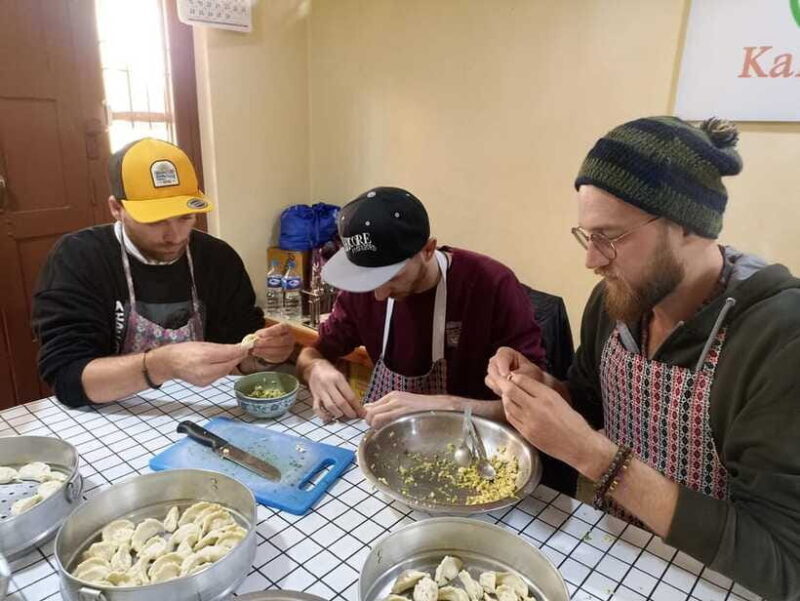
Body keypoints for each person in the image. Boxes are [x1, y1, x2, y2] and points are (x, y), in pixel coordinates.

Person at [486, 117, 800, 599]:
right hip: (618, 555)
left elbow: (781, 562)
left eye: (609, 237)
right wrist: (544, 389)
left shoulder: (779, 339)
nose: (592, 260)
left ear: (690, 226)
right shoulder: (618, 302)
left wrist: (591, 455)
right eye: (586, 235)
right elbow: (592, 403)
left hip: (718, 582)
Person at [32, 138, 294, 407]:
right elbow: (67, 378)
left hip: (200, 409)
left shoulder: (218, 258)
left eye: (185, 217)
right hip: (110, 413)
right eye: (155, 221)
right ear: (116, 208)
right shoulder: (79, 257)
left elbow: (239, 351)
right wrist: (163, 364)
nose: (175, 236)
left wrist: (260, 356)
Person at [296, 186, 546, 428]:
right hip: (396, 438)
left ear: (428, 250)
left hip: (474, 442)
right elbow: (311, 354)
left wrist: (449, 406)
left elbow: (535, 403)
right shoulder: (363, 290)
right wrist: (314, 368)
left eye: (391, 277)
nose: (379, 295)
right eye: (369, 279)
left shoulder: (491, 284)